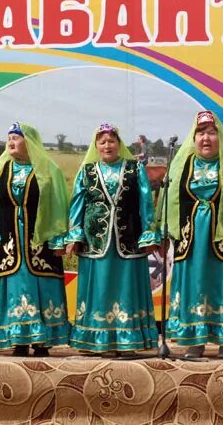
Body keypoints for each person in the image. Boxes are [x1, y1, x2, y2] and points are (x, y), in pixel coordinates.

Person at [166, 110, 223, 358]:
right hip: (192, 240)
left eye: (211, 133)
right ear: (193, 138)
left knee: (222, 284)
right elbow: (170, 203)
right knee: (195, 284)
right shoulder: (182, 165)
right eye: (200, 133)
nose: (205, 138)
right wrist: (166, 233)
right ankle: (195, 340)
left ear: (220, 137)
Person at [61, 123, 159, 355]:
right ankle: (98, 340)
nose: (107, 146)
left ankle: (128, 341)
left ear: (119, 144)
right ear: (96, 146)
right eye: (102, 142)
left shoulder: (135, 169)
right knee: (101, 286)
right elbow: (78, 204)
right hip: (96, 239)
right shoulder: (88, 171)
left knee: (126, 286)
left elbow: (145, 202)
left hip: (129, 236)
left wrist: (148, 233)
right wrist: (75, 235)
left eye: (111, 141)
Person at [0, 123, 70, 357]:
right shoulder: (3, 169)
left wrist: (59, 239)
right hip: (11, 241)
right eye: (8, 137)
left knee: (42, 284)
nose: (10, 142)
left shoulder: (49, 170)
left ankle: (42, 341)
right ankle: (18, 339)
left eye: (16, 138)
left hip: (41, 242)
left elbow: (59, 205)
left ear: (29, 142)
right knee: (16, 286)